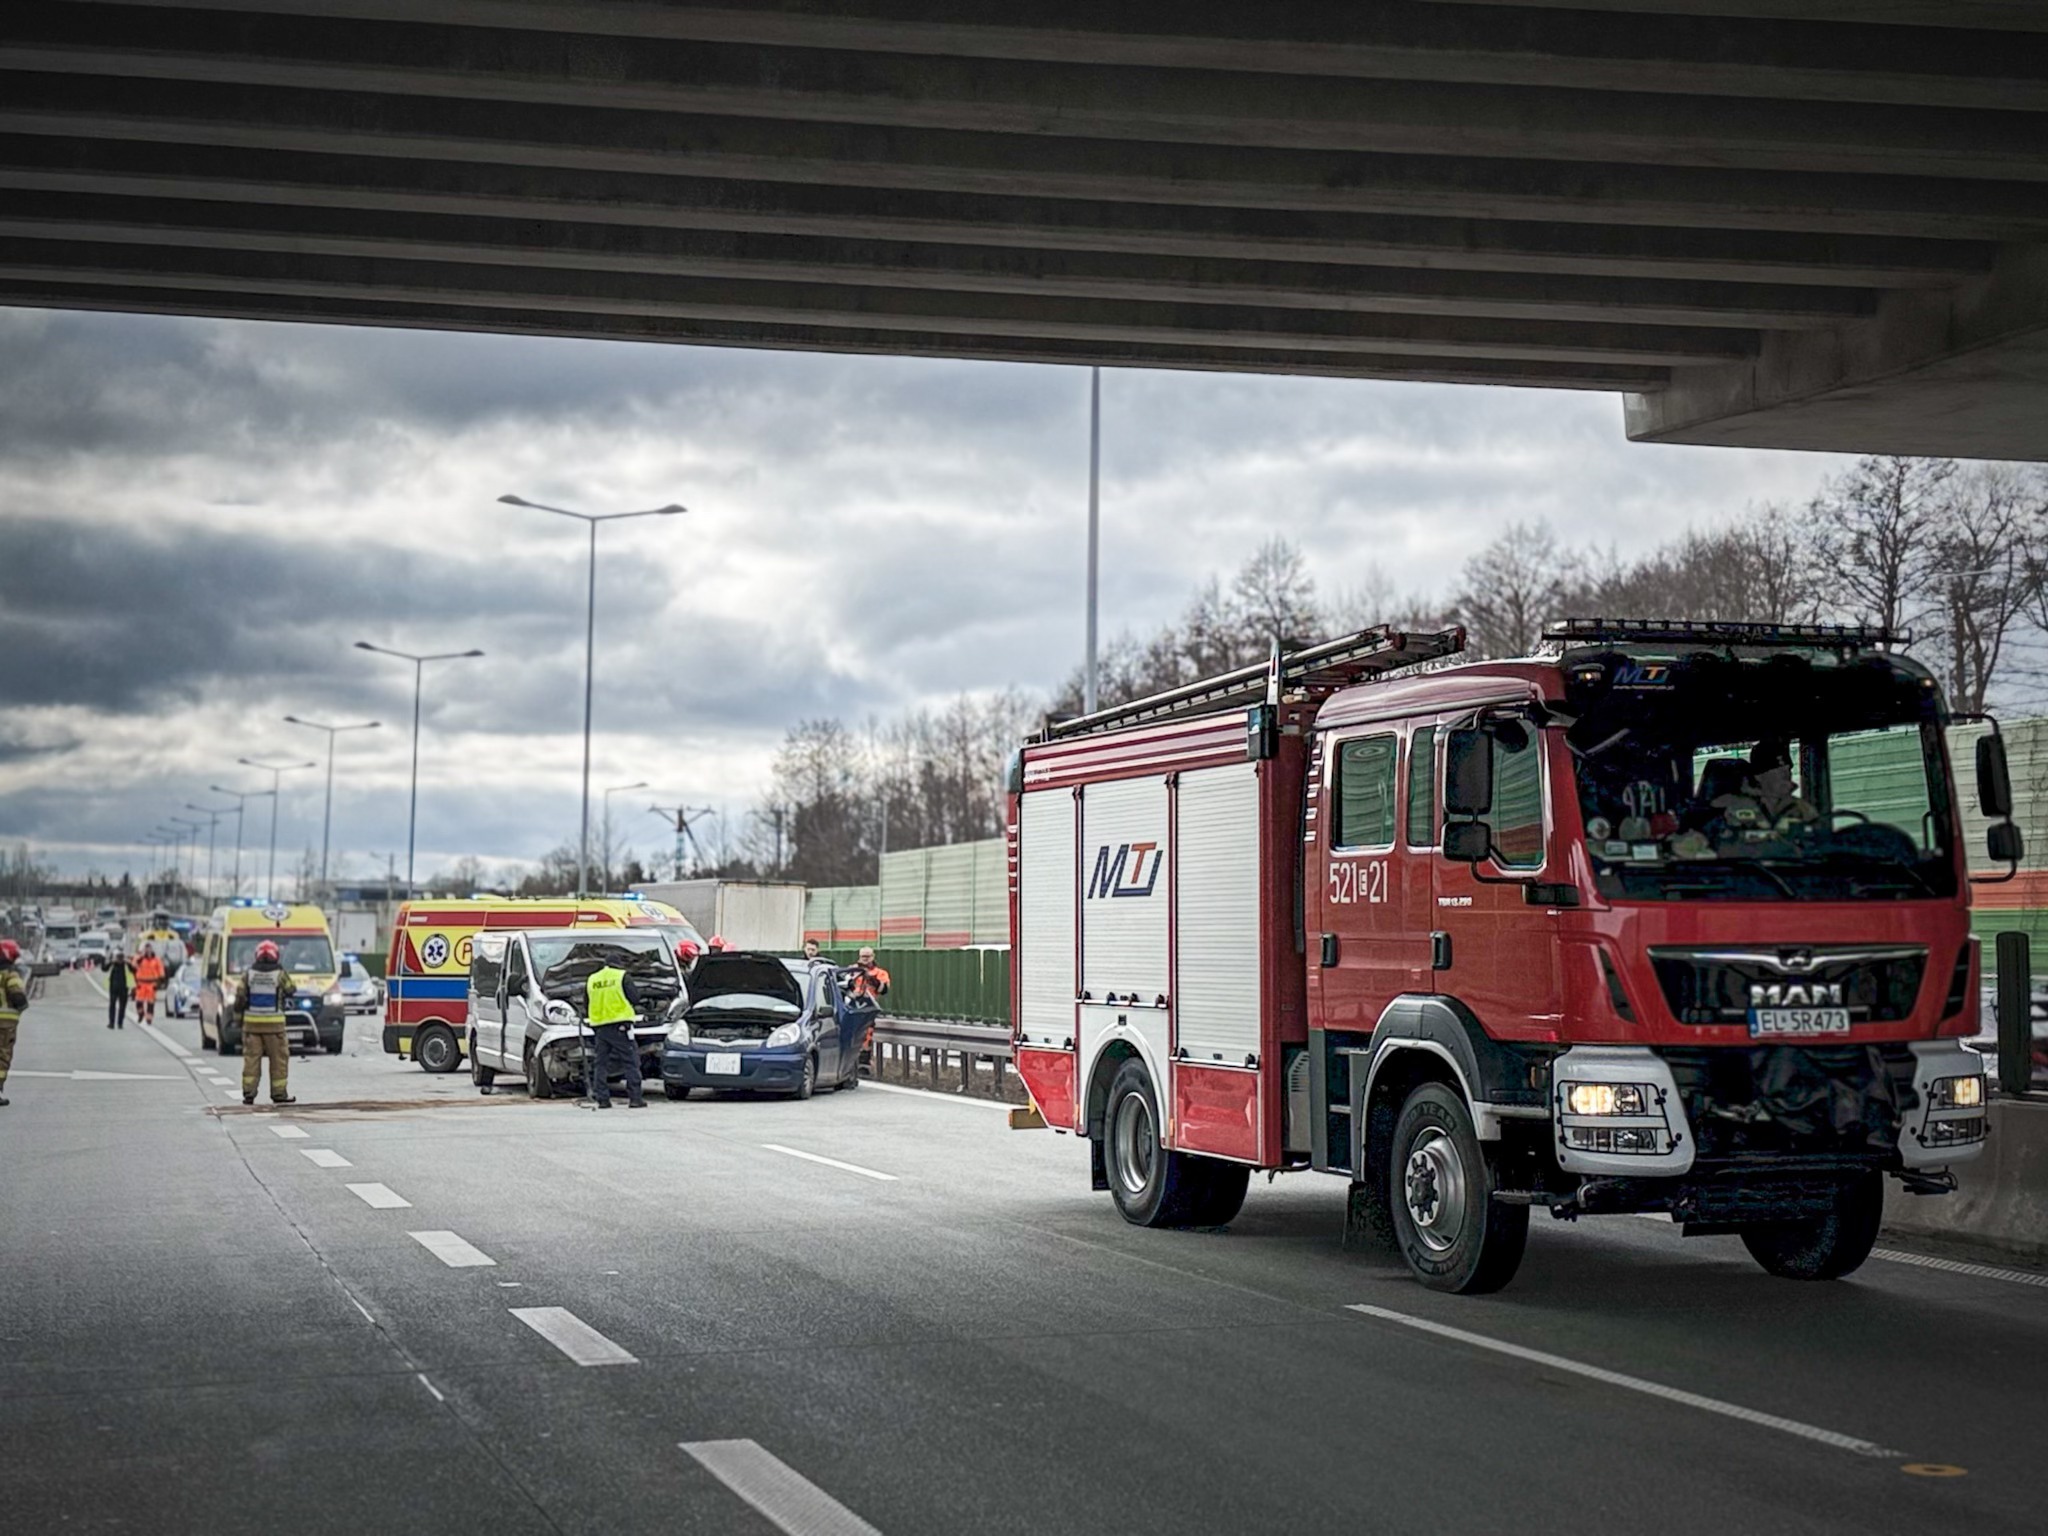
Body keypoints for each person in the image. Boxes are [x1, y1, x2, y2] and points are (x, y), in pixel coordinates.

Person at [1710, 737, 1820, 849]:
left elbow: (1819, 845)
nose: (1787, 776)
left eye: (1788, 770)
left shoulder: (1802, 809)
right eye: (1778, 771)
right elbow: (1724, 849)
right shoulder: (1734, 808)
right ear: (1759, 776)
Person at [237, 940, 298, 1106]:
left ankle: (249, 1094)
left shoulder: (248, 974)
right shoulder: (279, 974)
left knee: (251, 1061)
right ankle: (278, 1094)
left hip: (252, 1027)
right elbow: (291, 989)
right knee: (278, 1060)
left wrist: (237, 1020)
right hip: (275, 1027)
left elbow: (240, 997)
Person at [582, 960, 646, 1109]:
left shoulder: (592, 979)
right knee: (631, 1061)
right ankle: (635, 1099)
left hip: (600, 1027)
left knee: (600, 1064)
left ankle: (603, 1100)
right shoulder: (622, 976)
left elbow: (586, 1004)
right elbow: (635, 998)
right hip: (620, 1025)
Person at [845, 947, 890, 1075]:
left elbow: (884, 989)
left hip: (868, 1006)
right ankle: (849, 1063)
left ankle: (863, 1064)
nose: (865, 959)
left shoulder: (880, 973)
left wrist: (870, 978)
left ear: (873, 956)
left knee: (866, 1034)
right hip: (852, 1005)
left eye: (868, 956)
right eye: (863, 956)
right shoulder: (852, 970)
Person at [0, 939, 26, 1107]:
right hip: (5, 1024)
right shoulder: (10, 974)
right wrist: (22, 1006)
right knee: (2, 1056)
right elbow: (18, 995)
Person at [133, 944, 166, 1027]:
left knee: (150, 1003)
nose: (148, 951)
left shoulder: (156, 960)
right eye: (146, 949)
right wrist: (141, 956)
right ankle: (141, 1014)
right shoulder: (140, 959)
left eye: (149, 949)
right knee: (138, 1001)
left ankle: (149, 1018)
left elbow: (161, 971)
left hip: (152, 983)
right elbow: (134, 965)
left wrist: (159, 983)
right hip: (141, 983)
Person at [105, 949, 133, 1030]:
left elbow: (134, 970)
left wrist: (128, 962)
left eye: (121, 958)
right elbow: (104, 969)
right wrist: (111, 961)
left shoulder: (126, 965)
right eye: (118, 957)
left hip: (124, 988)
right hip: (113, 987)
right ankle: (111, 1023)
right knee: (112, 1005)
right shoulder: (113, 964)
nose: (120, 960)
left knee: (122, 1006)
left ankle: (120, 1023)